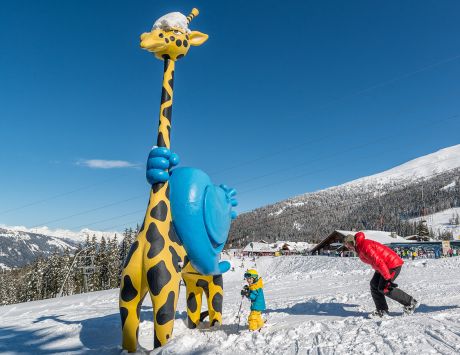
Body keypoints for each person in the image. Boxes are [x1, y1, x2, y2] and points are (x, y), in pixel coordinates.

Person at [344, 232, 419, 318]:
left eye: (348, 245)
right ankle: (382, 310)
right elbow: (375, 262)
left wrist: (387, 278)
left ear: (352, 242)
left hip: (392, 265)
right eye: (346, 247)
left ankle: (410, 303)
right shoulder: (359, 247)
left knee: (385, 287)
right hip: (383, 267)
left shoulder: (364, 246)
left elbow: (378, 261)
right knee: (374, 285)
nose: (348, 248)